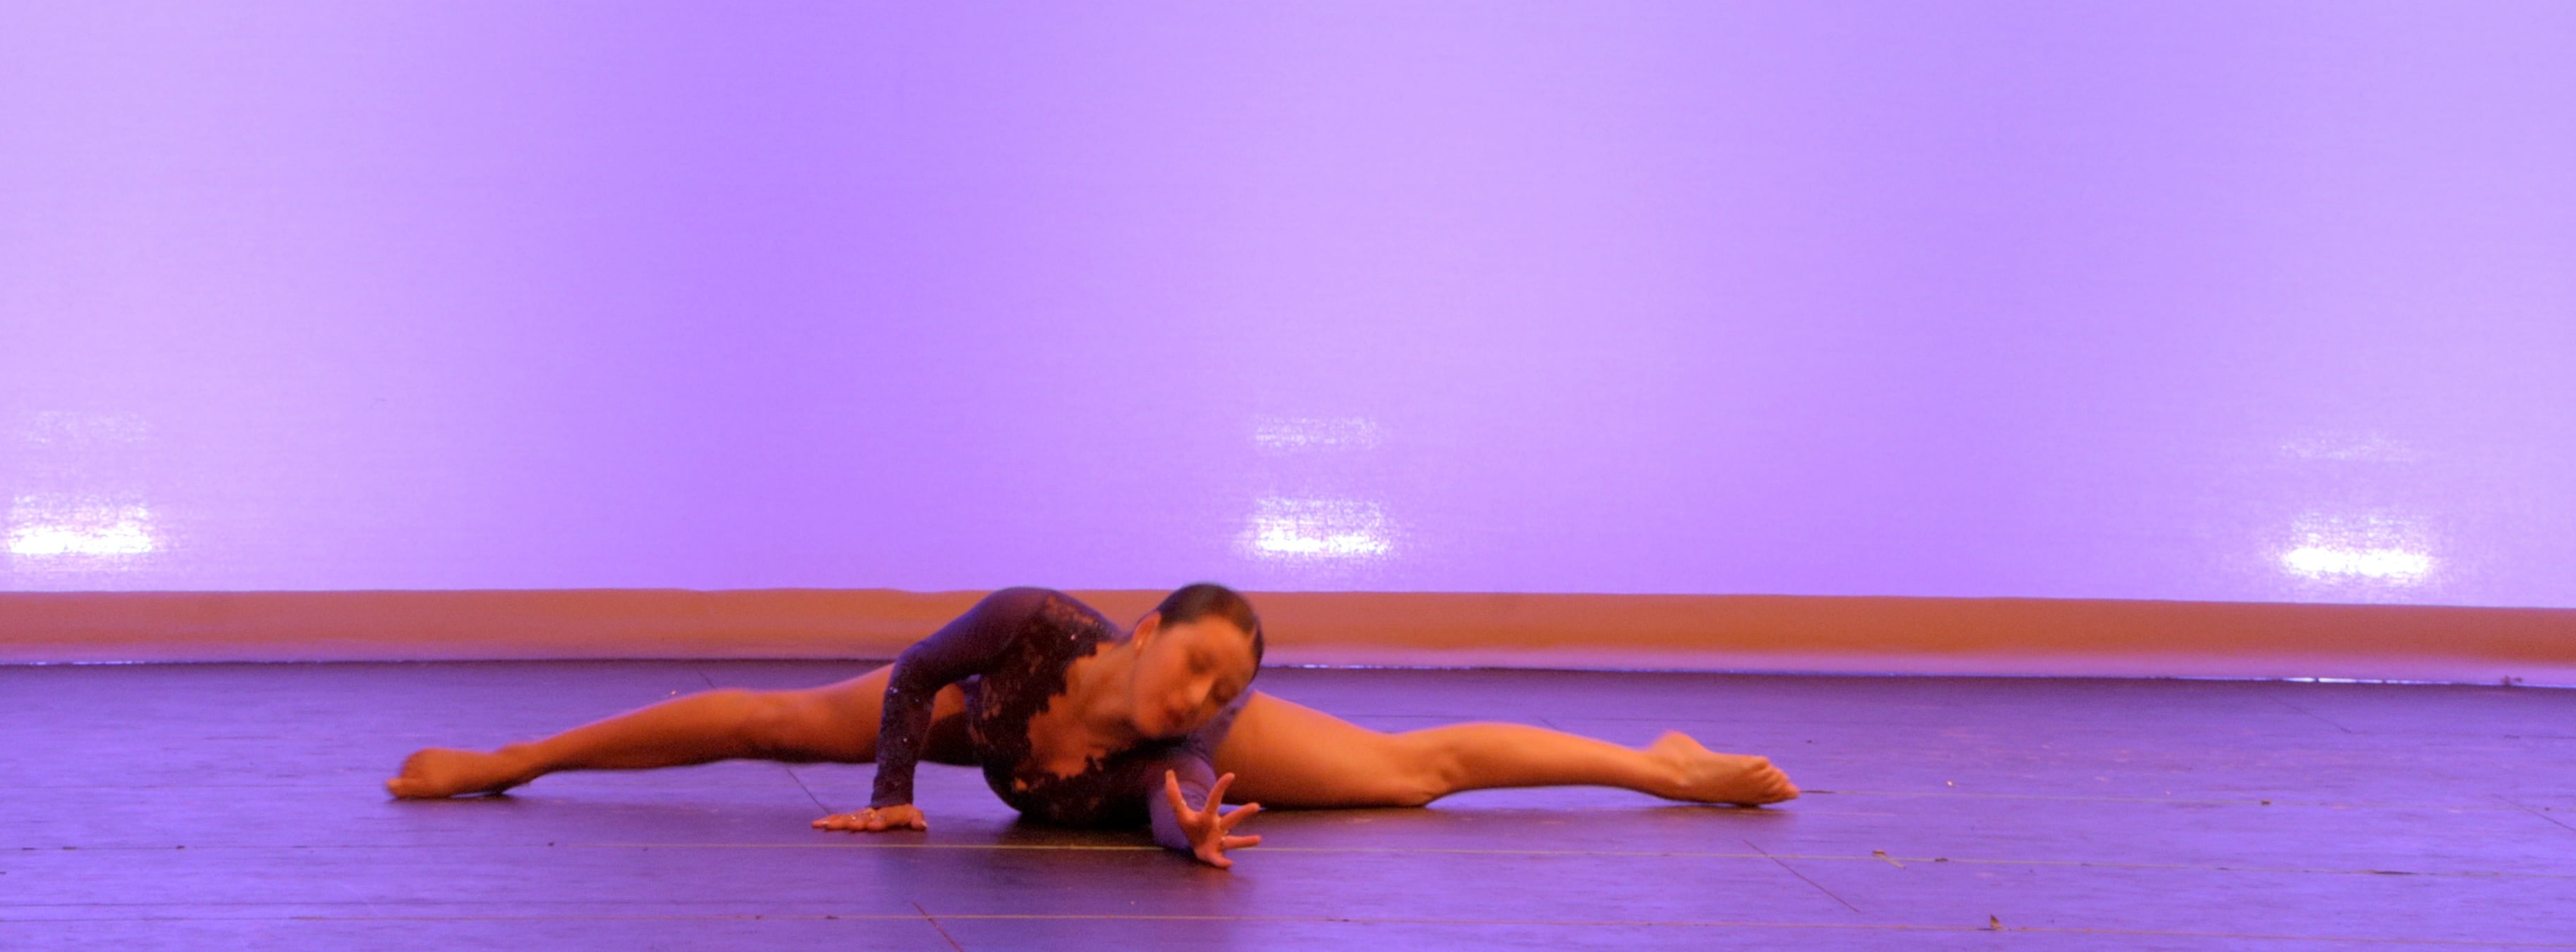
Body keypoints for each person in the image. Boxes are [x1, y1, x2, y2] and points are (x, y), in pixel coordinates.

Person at [385, 583, 1799, 867]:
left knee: (1406, 775)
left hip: (1090, 775)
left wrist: (1190, 829)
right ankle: (515, 760)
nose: (1199, 695)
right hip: (988, 730)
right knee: (773, 721)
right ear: (1142, 630)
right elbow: (909, 677)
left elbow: (1164, 809)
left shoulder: (1190, 743)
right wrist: (894, 784)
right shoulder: (1028, 631)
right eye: (1194, 665)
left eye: (1222, 690)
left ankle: (1658, 768)